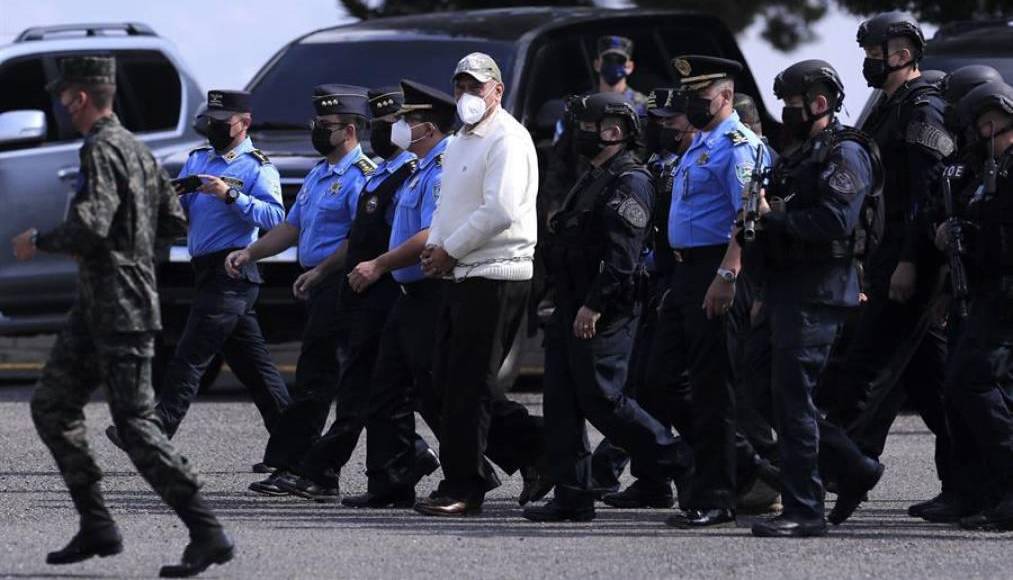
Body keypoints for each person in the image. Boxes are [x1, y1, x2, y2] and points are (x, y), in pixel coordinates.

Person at [14, 55, 233, 577]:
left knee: (135, 426)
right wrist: (134, 258)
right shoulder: (139, 150)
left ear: (81, 98)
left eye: (64, 97)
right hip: (101, 307)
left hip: (120, 311)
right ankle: (97, 525)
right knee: (51, 406)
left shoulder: (102, 148)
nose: (62, 106)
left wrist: (38, 241)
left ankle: (207, 532)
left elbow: (89, 227)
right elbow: (175, 221)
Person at [523, 92, 693, 523]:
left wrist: (594, 306)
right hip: (569, 303)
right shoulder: (593, 175)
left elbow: (622, 256)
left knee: (603, 399)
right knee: (561, 401)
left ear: (612, 131)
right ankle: (573, 494)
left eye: (585, 125)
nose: (576, 134)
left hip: (603, 309)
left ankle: (679, 460)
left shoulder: (630, 180)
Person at [105, 89, 291, 473]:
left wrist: (231, 196)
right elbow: (182, 213)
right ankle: (296, 445)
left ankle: (151, 434)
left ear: (244, 123)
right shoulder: (197, 159)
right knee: (256, 371)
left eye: (222, 124)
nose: (215, 130)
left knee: (189, 358)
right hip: (204, 271)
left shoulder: (258, 168)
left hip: (234, 270)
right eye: (210, 122)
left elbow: (277, 219)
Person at [275, 83, 442, 501]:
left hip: (390, 290)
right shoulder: (384, 174)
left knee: (383, 389)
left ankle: (322, 469)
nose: (385, 131)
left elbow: (411, 234)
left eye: (393, 123)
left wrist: (378, 266)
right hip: (360, 290)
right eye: (382, 123)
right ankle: (399, 468)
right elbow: (359, 235)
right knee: (379, 390)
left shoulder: (408, 172)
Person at [821, 10, 956, 517]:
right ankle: (966, 482)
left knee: (866, 369)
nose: (867, 63)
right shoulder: (889, 105)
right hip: (887, 258)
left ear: (901, 55)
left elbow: (927, 195)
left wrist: (907, 262)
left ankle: (844, 469)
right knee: (933, 382)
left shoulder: (922, 109)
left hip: (912, 263)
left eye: (874, 54)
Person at [747, 60, 880, 537]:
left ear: (820, 104)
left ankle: (805, 507)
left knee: (793, 399)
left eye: (793, 105)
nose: (786, 114)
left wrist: (775, 217)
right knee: (761, 388)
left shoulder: (844, 153)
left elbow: (834, 222)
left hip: (818, 290)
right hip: (786, 288)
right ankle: (854, 467)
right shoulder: (800, 154)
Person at [414, 52, 547, 516]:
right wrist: (435, 246)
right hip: (460, 270)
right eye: (460, 86)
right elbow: (445, 206)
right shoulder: (458, 142)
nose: (467, 95)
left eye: (476, 86)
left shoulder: (508, 139)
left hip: (496, 271)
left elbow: (501, 210)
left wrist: (450, 249)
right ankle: (540, 451)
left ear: (497, 90)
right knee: (447, 379)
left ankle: (464, 486)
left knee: (468, 386)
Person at [644, 55, 770, 529]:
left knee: (715, 387)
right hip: (685, 272)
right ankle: (746, 463)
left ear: (723, 97)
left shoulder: (738, 145)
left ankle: (717, 495)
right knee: (657, 381)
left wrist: (729, 274)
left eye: (700, 97)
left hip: (718, 268)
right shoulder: (701, 145)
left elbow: (749, 215)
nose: (692, 105)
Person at [239, 85, 377, 496]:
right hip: (320, 285)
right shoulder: (320, 172)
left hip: (342, 283)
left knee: (319, 379)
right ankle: (411, 453)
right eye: (316, 122)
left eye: (326, 125)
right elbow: (291, 227)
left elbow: (359, 239)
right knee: (332, 378)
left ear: (350, 130)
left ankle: (297, 467)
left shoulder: (363, 176)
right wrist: (250, 253)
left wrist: (320, 272)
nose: (317, 130)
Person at [340, 80, 457, 508]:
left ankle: (520, 456)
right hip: (407, 292)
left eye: (408, 120)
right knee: (386, 388)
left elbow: (431, 232)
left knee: (438, 390)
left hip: (431, 291)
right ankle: (389, 483)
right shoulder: (418, 168)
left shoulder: (442, 168)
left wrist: (380, 264)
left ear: (427, 126)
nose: (401, 127)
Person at [592, 87, 697, 507]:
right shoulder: (656, 164)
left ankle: (707, 469)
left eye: (669, 120)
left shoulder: (700, 160)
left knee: (673, 386)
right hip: (654, 284)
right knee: (643, 385)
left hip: (689, 281)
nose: (661, 128)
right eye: (655, 120)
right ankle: (653, 481)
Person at [933, 79, 1013, 532]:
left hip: (1005, 295)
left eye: (980, 124)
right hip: (989, 292)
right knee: (971, 383)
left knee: (972, 380)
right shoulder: (995, 169)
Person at [542, 36, 649, 218]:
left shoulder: (642, 108)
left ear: (629, 66)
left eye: (619, 61)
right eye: (608, 60)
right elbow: (561, 160)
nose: (613, 65)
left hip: (625, 197)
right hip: (582, 196)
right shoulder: (580, 107)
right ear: (597, 64)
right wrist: (554, 205)